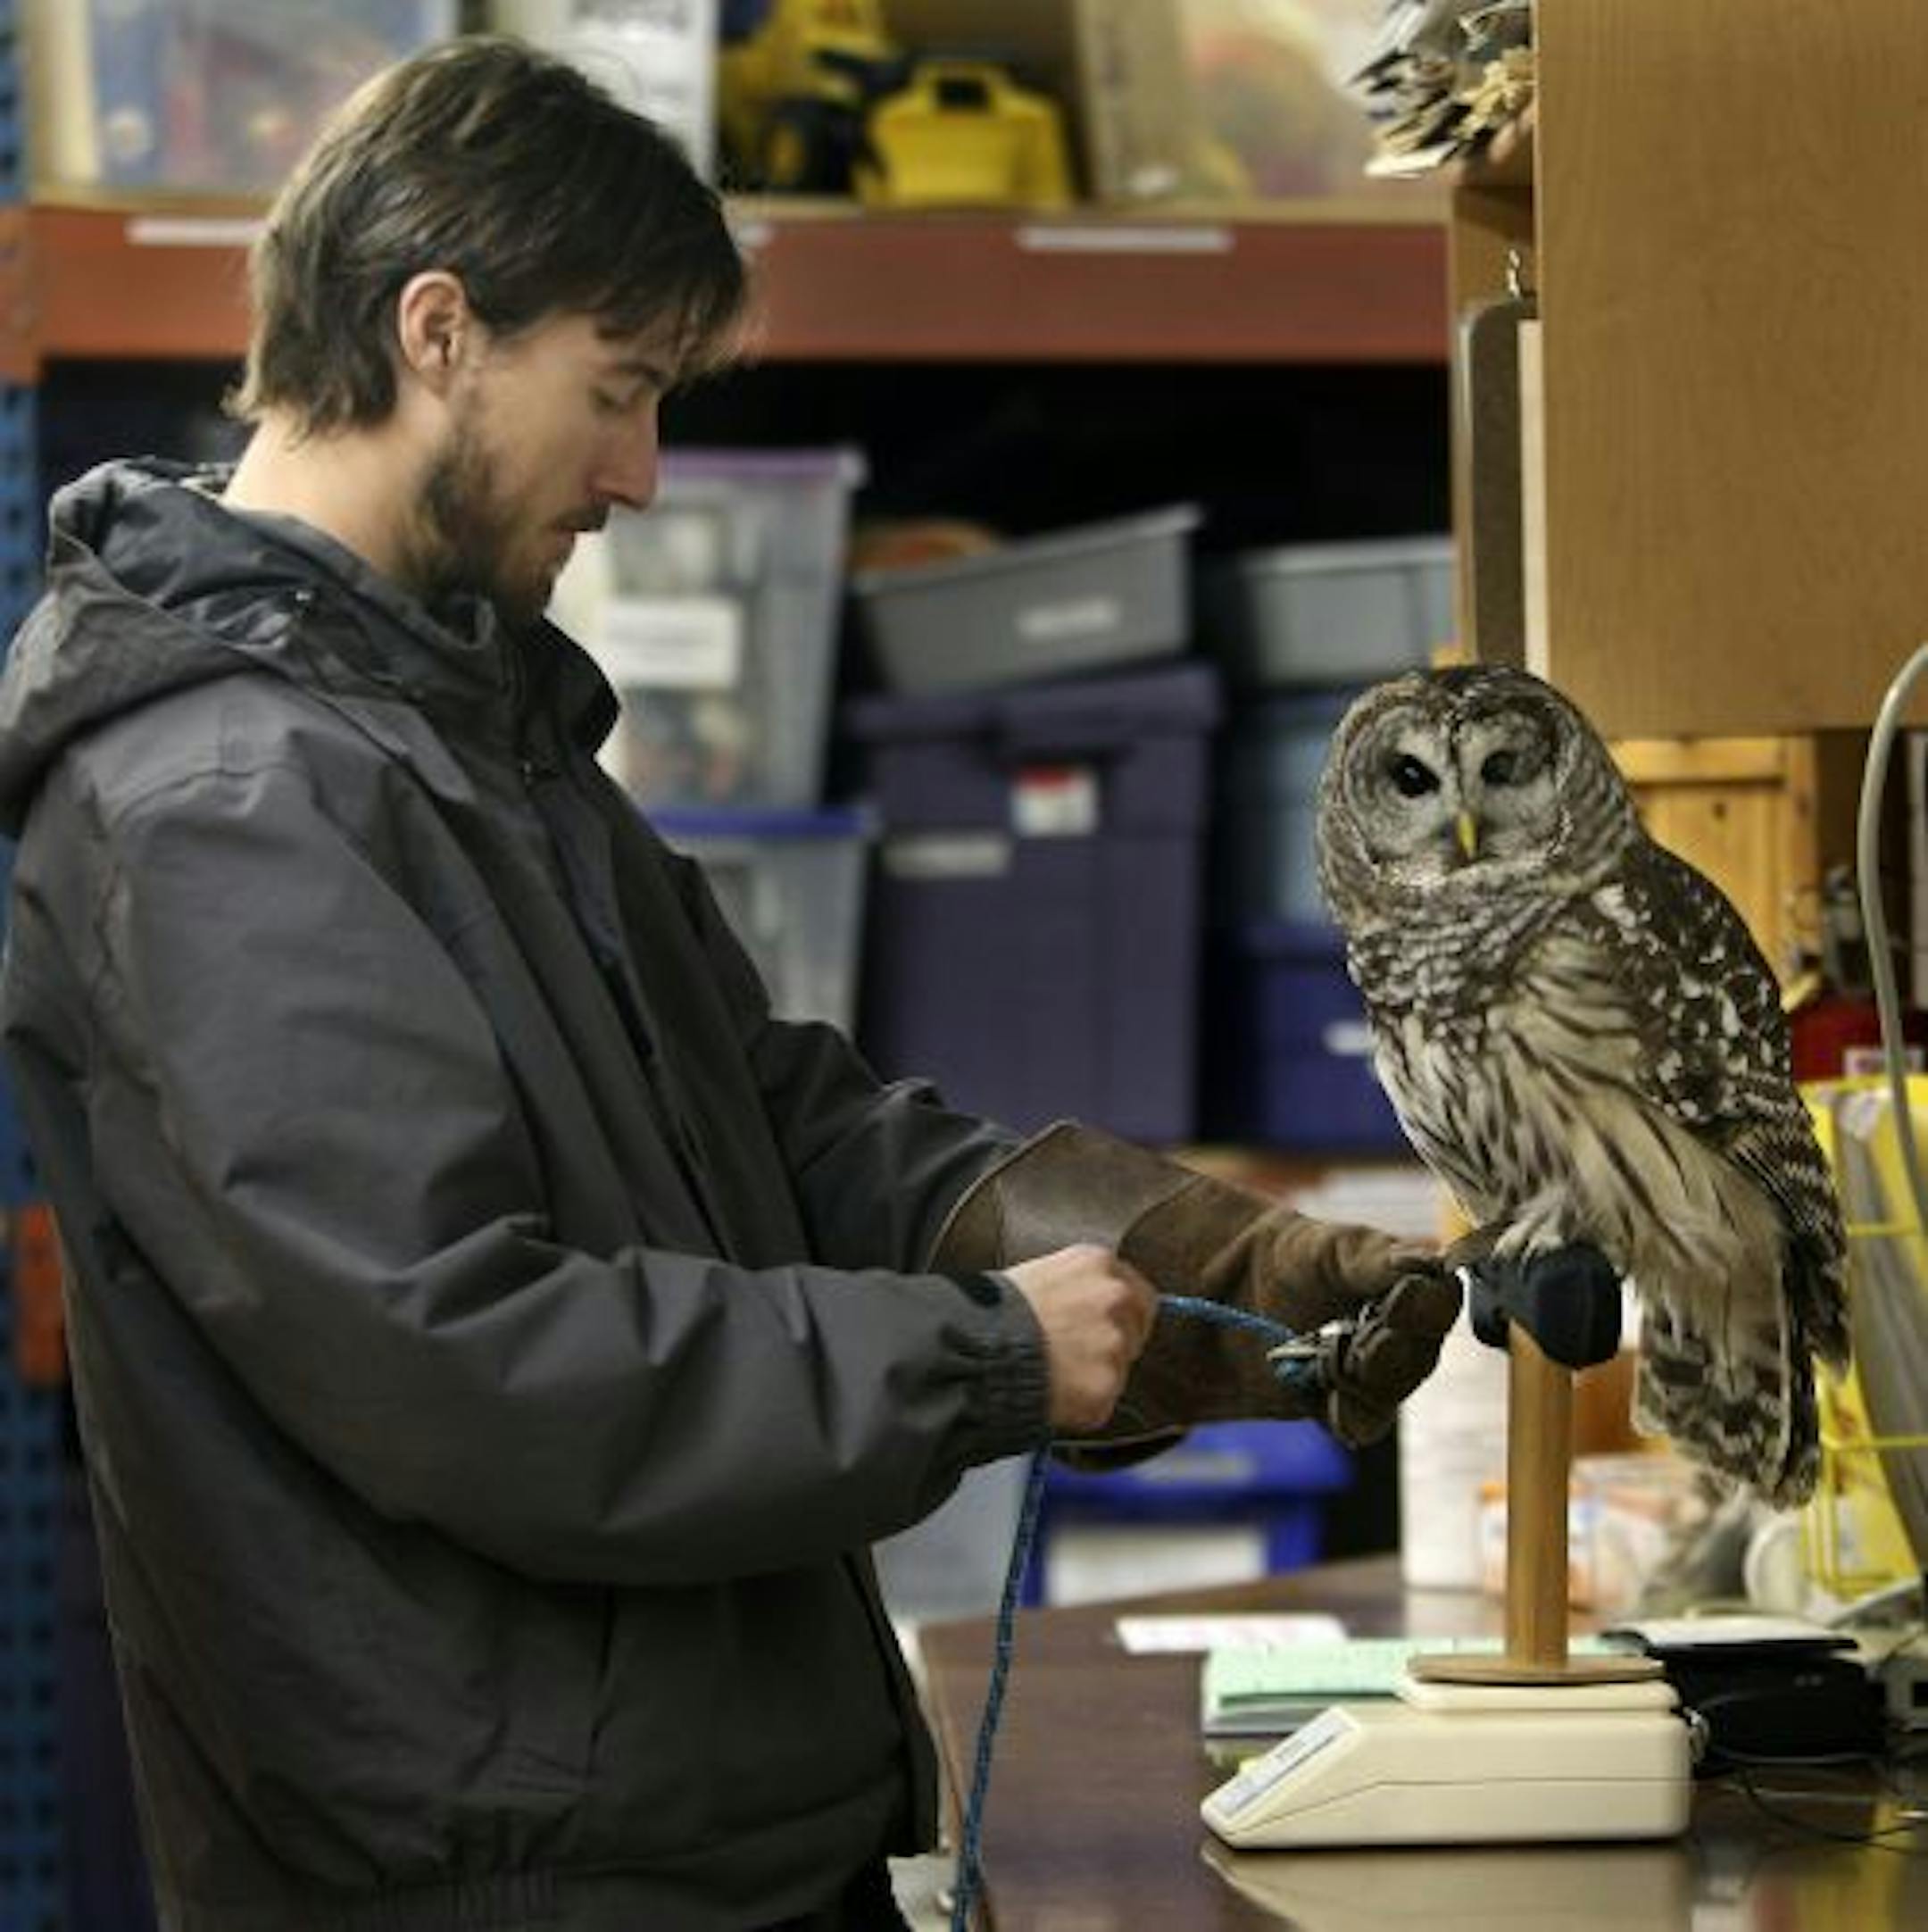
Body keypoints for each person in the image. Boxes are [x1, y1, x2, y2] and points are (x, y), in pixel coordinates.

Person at [0, 36, 1459, 1932]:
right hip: (501, 1874)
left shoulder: (452, 724)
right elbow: (465, 1355)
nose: (639, 473)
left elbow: (760, 1108)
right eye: (615, 394)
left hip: (682, 1831)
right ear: (435, 329)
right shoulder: (224, 801)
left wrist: (1189, 1255)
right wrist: (989, 1356)